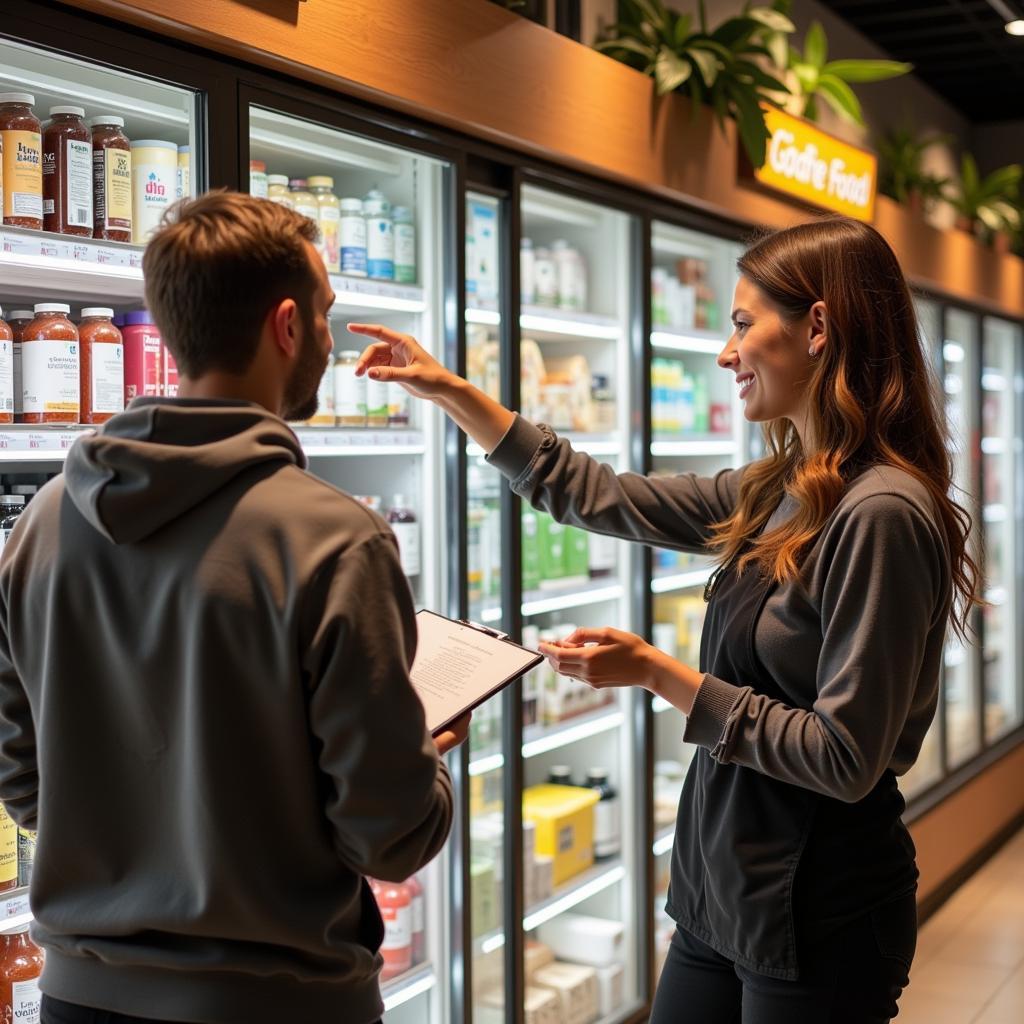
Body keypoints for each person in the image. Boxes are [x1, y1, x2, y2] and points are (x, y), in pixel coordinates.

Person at [348, 216, 978, 1024]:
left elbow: (845, 754)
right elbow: (595, 491)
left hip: (817, 908)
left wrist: (658, 673)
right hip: (719, 889)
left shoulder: (881, 511)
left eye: (744, 325)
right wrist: (451, 392)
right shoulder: (779, 489)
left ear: (818, 327)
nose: (726, 353)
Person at [0, 190, 466, 1024]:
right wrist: (425, 761)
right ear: (286, 325)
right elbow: (389, 838)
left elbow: (23, 775)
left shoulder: (42, 523)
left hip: (80, 997)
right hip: (275, 1004)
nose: (328, 337)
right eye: (325, 314)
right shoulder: (334, 539)